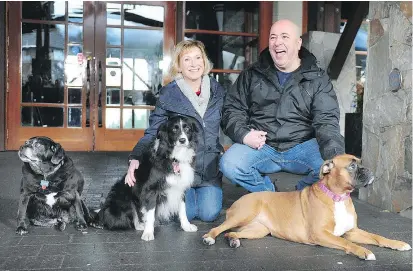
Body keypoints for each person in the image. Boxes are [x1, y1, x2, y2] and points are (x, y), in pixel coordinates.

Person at [220, 19, 345, 192]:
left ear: (298, 43)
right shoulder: (252, 74)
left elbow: (327, 120)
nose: (277, 42)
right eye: (273, 37)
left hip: (302, 146)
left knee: (331, 167)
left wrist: (335, 157)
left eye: (284, 37)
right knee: (230, 164)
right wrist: (244, 134)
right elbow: (232, 109)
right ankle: (269, 194)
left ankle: (299, 194)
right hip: (263, 146)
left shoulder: (317, 78)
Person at [125, 40, 225, 222]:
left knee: (208, 214)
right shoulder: (168, 94)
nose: (194, 64)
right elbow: (153, 131)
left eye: (198, 58)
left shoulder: (218, 91)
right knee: (184, 214)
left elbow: (230, 120)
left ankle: (191, 194)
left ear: (205, 61)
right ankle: (181, 193)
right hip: (177, 168)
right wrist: (135, 157)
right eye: (187, 59)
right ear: (178, 65)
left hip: (208, 170)